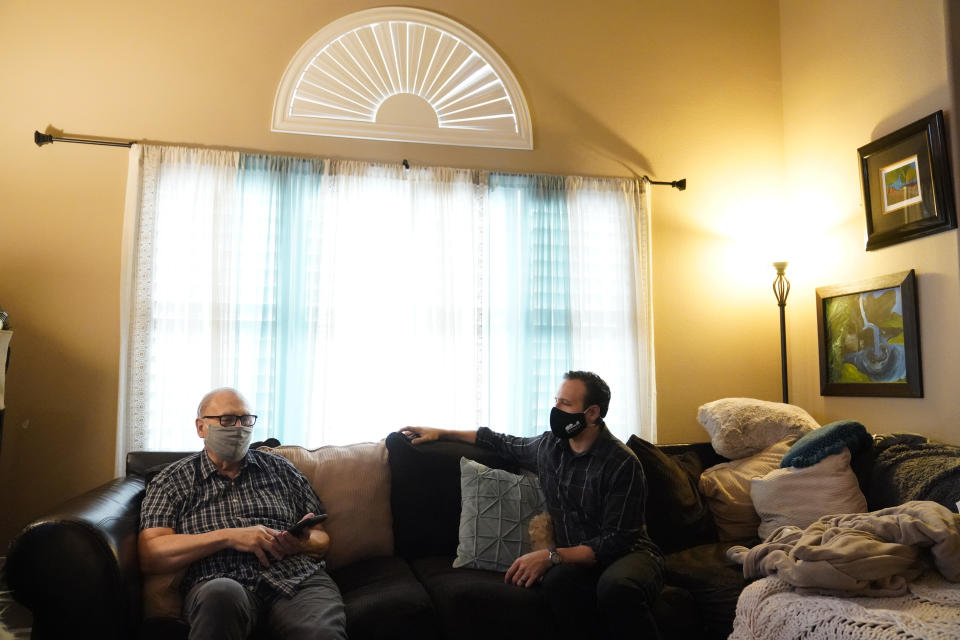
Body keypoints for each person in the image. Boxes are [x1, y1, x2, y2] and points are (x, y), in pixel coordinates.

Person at [401, 371, 663, 640]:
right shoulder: (549, 446)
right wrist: (442, 432)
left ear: (592, 412)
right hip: (580, 561)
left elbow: (616, 541)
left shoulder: (622, 463)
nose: (556, 409)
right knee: (558, 583)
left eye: (565, 404)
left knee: (616, 589)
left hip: (629, 555)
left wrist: (552, 556)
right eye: (556, 400)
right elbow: (499, 441)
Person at [139, 387, 347, 640]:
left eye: (246, 420)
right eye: (227, 420)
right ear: (201, 427)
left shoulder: (282, 470)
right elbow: (151, 554)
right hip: (219, 581)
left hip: (296, 578)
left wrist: (301, 543)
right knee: (220, 596)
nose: (239, 427)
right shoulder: (172, 481)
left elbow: (321, 538)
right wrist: (227, 537)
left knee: (319, 634)